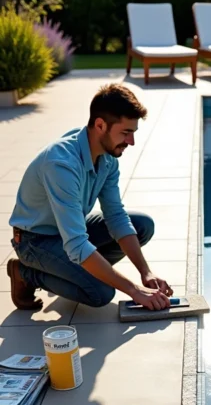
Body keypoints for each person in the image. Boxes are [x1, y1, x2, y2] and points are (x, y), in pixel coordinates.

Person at [8, 83, 172, 312]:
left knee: (142, 225)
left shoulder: (108, 157)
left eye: (133, 133)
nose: (131, 142)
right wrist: (134, 290)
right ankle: (27, 273)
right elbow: (76, 244)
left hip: (66, 230)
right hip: (34, 240)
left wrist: (146, 272)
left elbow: (115, 215)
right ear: (100, 125)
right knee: (101, 292)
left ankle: (75, 272)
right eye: (126, 133)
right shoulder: (61, 164)